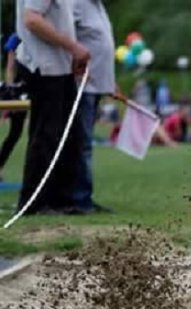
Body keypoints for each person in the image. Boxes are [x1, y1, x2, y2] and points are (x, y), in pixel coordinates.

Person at [15, 0, 90, 215]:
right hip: (44, 67)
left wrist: (71, 54)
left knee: (68, 137)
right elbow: (32, 19)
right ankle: (35, 202)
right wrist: (72, 47)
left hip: (60, 67)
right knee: (46, 136)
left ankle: (61, 199)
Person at [72, 0, 116, 214]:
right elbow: (71, 39)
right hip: (83, 86)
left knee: (85, 143)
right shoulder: (76, 4)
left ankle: (83, 195)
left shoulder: (98, 6)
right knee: (82, 144)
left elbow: (101, 45)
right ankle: (79, 198)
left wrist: (110, 81)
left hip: (97, 84)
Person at [0, 48, 28, 183]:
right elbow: (10, 68)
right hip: (19, 91)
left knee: (15, 133)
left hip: (29, 89)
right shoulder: (16, 39)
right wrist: (11, 92)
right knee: (15, 133)